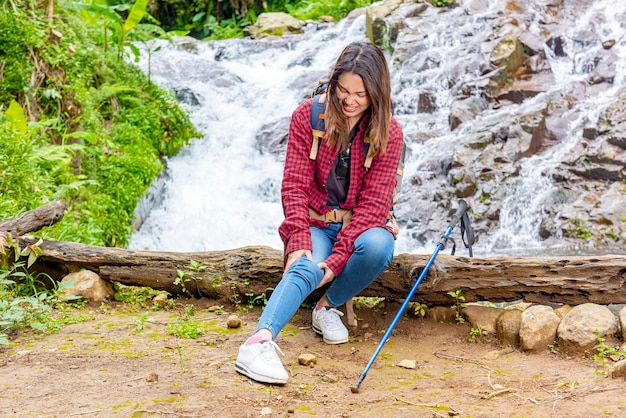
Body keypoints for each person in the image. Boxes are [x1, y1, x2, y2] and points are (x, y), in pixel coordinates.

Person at [235, 41, 404, 385]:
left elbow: (373, 207)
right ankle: (258, 342)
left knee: (379, 246)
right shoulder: (307, 116)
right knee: (305, 265)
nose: (350, 101)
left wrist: (338, 260)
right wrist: (297, 239)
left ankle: (326, 306)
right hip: (314, 219)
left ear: (378, 93)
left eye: (361, 94)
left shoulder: (389, 133)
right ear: (333, 82)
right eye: (342, 90)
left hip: (360, 226)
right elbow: (294, 184)